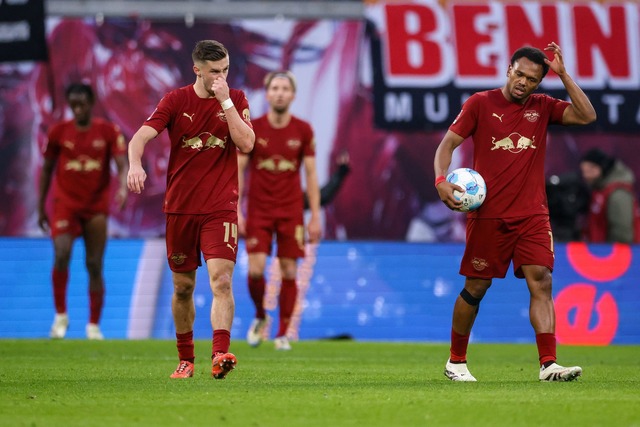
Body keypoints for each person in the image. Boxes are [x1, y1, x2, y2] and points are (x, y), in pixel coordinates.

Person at [434, 42, 597, 382]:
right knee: (476, 287)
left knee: (542, 281)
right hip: (488, 216)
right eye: (520, 74)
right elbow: (447, 145)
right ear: (509, 70)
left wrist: (564, 75)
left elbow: (587, 115)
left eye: (533, 79)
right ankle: (456, 361)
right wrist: (440, 180)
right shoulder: (480, 103)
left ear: (539, 83)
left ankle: (548, 363)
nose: (524, 83)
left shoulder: (543, 107)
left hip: (533, 215)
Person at [127, 40, 255, 379]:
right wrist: (134, 165)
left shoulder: (237, 99)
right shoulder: (175, 100)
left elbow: (246, 143)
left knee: (222, 281)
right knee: (183, 287)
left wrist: (225, 98)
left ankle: (219, 354)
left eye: (225, 70)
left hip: (220, 208)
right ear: (196, 69)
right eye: (214, 72)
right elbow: (139, 137)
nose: (221, 77)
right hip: (181, 209)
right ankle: (186, 360)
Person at [237, 70, 321, 351]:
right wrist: (236, 209)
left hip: (291, 210)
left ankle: (283, 332)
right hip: (259, 210)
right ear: (267, 92)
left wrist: (315, 217)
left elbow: (310, 175)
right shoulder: (253, 128)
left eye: (285, 88)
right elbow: (239, 169)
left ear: (293, 95)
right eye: (275, 88)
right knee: (257, 269)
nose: (280, 93)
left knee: (288, 270)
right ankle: (260, 315)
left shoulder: (303, 130)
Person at [38, 83, 128, 340]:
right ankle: (60, 316)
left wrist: (122, 187)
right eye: (73, 105)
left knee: (94, 264)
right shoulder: (58, 132)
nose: (77, 109)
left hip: (96, 206)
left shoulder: (108, 131)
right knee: (61, 253)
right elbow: (46, 169)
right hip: (65, 204)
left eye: (82, 104)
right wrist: (40, 206)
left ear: (91, 103)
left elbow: (121, 164)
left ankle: (93, 325)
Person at [579, 148, 640, 243]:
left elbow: (622, 234)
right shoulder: (601, 190)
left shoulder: (618, 194)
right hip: (602, 253)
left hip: (616, 255)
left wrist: (613, 253)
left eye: (588, 171)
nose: (585, 176)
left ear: (598, 168)